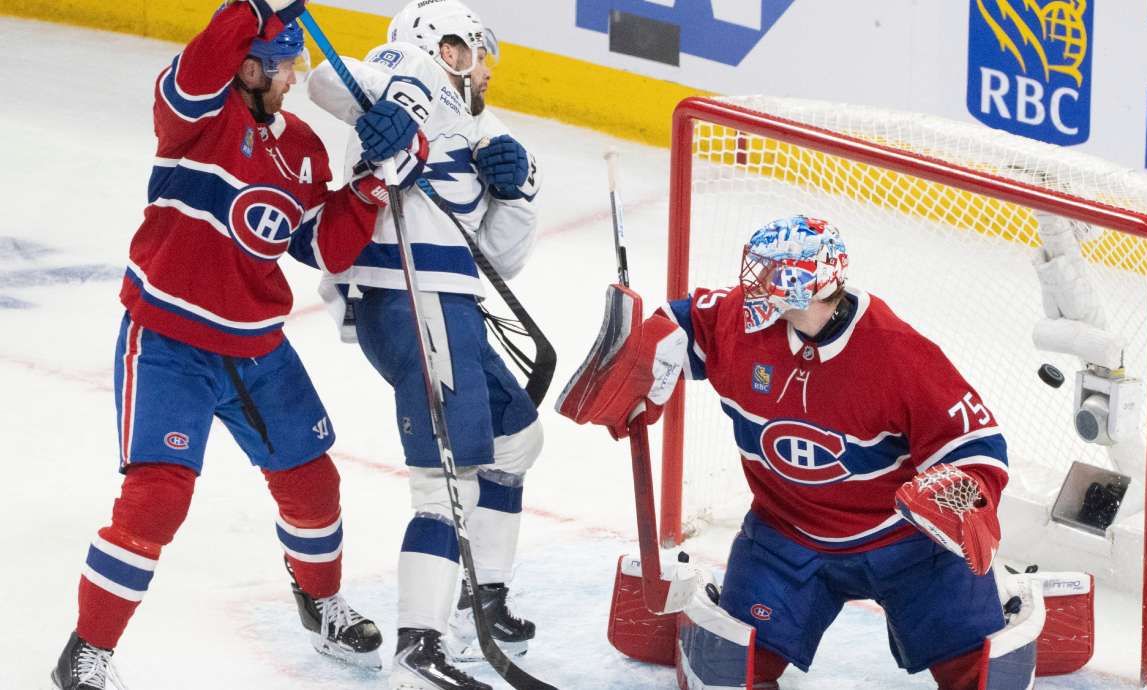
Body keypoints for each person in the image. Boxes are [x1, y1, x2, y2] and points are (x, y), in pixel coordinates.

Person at [49, 0, 424, 687]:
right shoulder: (195, 119)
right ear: (248, 66)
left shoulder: (305, 149)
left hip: (256, 348)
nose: (292, 77)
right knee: (156, 499)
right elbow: (195, 70)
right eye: (282, 65)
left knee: (314, 483)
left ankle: (320, 603)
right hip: (168, 341)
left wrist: (373, 182)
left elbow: (324, 249)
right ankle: (87, 652)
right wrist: (248, 6)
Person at [561, 215, 1014, 690]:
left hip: (904, 545)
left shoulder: (898, 354)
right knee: (727, 677)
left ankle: (995, 602)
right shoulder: (741, 318)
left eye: (773, 273)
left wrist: (966, 491)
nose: (755, 283)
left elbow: (976, 445)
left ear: (809, 284)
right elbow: (686, 322)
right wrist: (641, 360)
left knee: (982, 678)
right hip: (786, 538)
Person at [300, 1, 544, 689]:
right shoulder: (405, 67)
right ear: (437, 45)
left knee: (517, 442)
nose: (483, 66)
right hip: (409, 297)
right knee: (444, 486)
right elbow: (328, 79)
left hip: (452, 301)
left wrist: (515, 192)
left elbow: (499, 257)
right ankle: (420, 644)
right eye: (469, 49)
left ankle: (482, 600)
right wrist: (399, 110)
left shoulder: (485, 128)